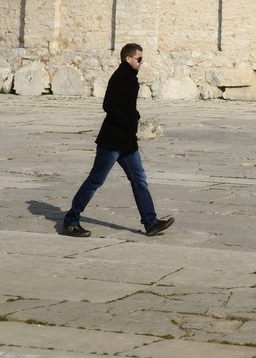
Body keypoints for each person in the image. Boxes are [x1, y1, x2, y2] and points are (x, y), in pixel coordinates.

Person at [61, 43, 173, 238]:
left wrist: (134, 118)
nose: (141, 62)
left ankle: (151, 222)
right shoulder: (120, 77)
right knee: (96, 180)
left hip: (127, 142)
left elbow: (128, 107)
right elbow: (109, 106)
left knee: (139, 180)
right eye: (139, 59)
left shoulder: (130, 77)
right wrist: (128, 121)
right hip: (112, 141)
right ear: (128, 58)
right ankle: (71, 221)